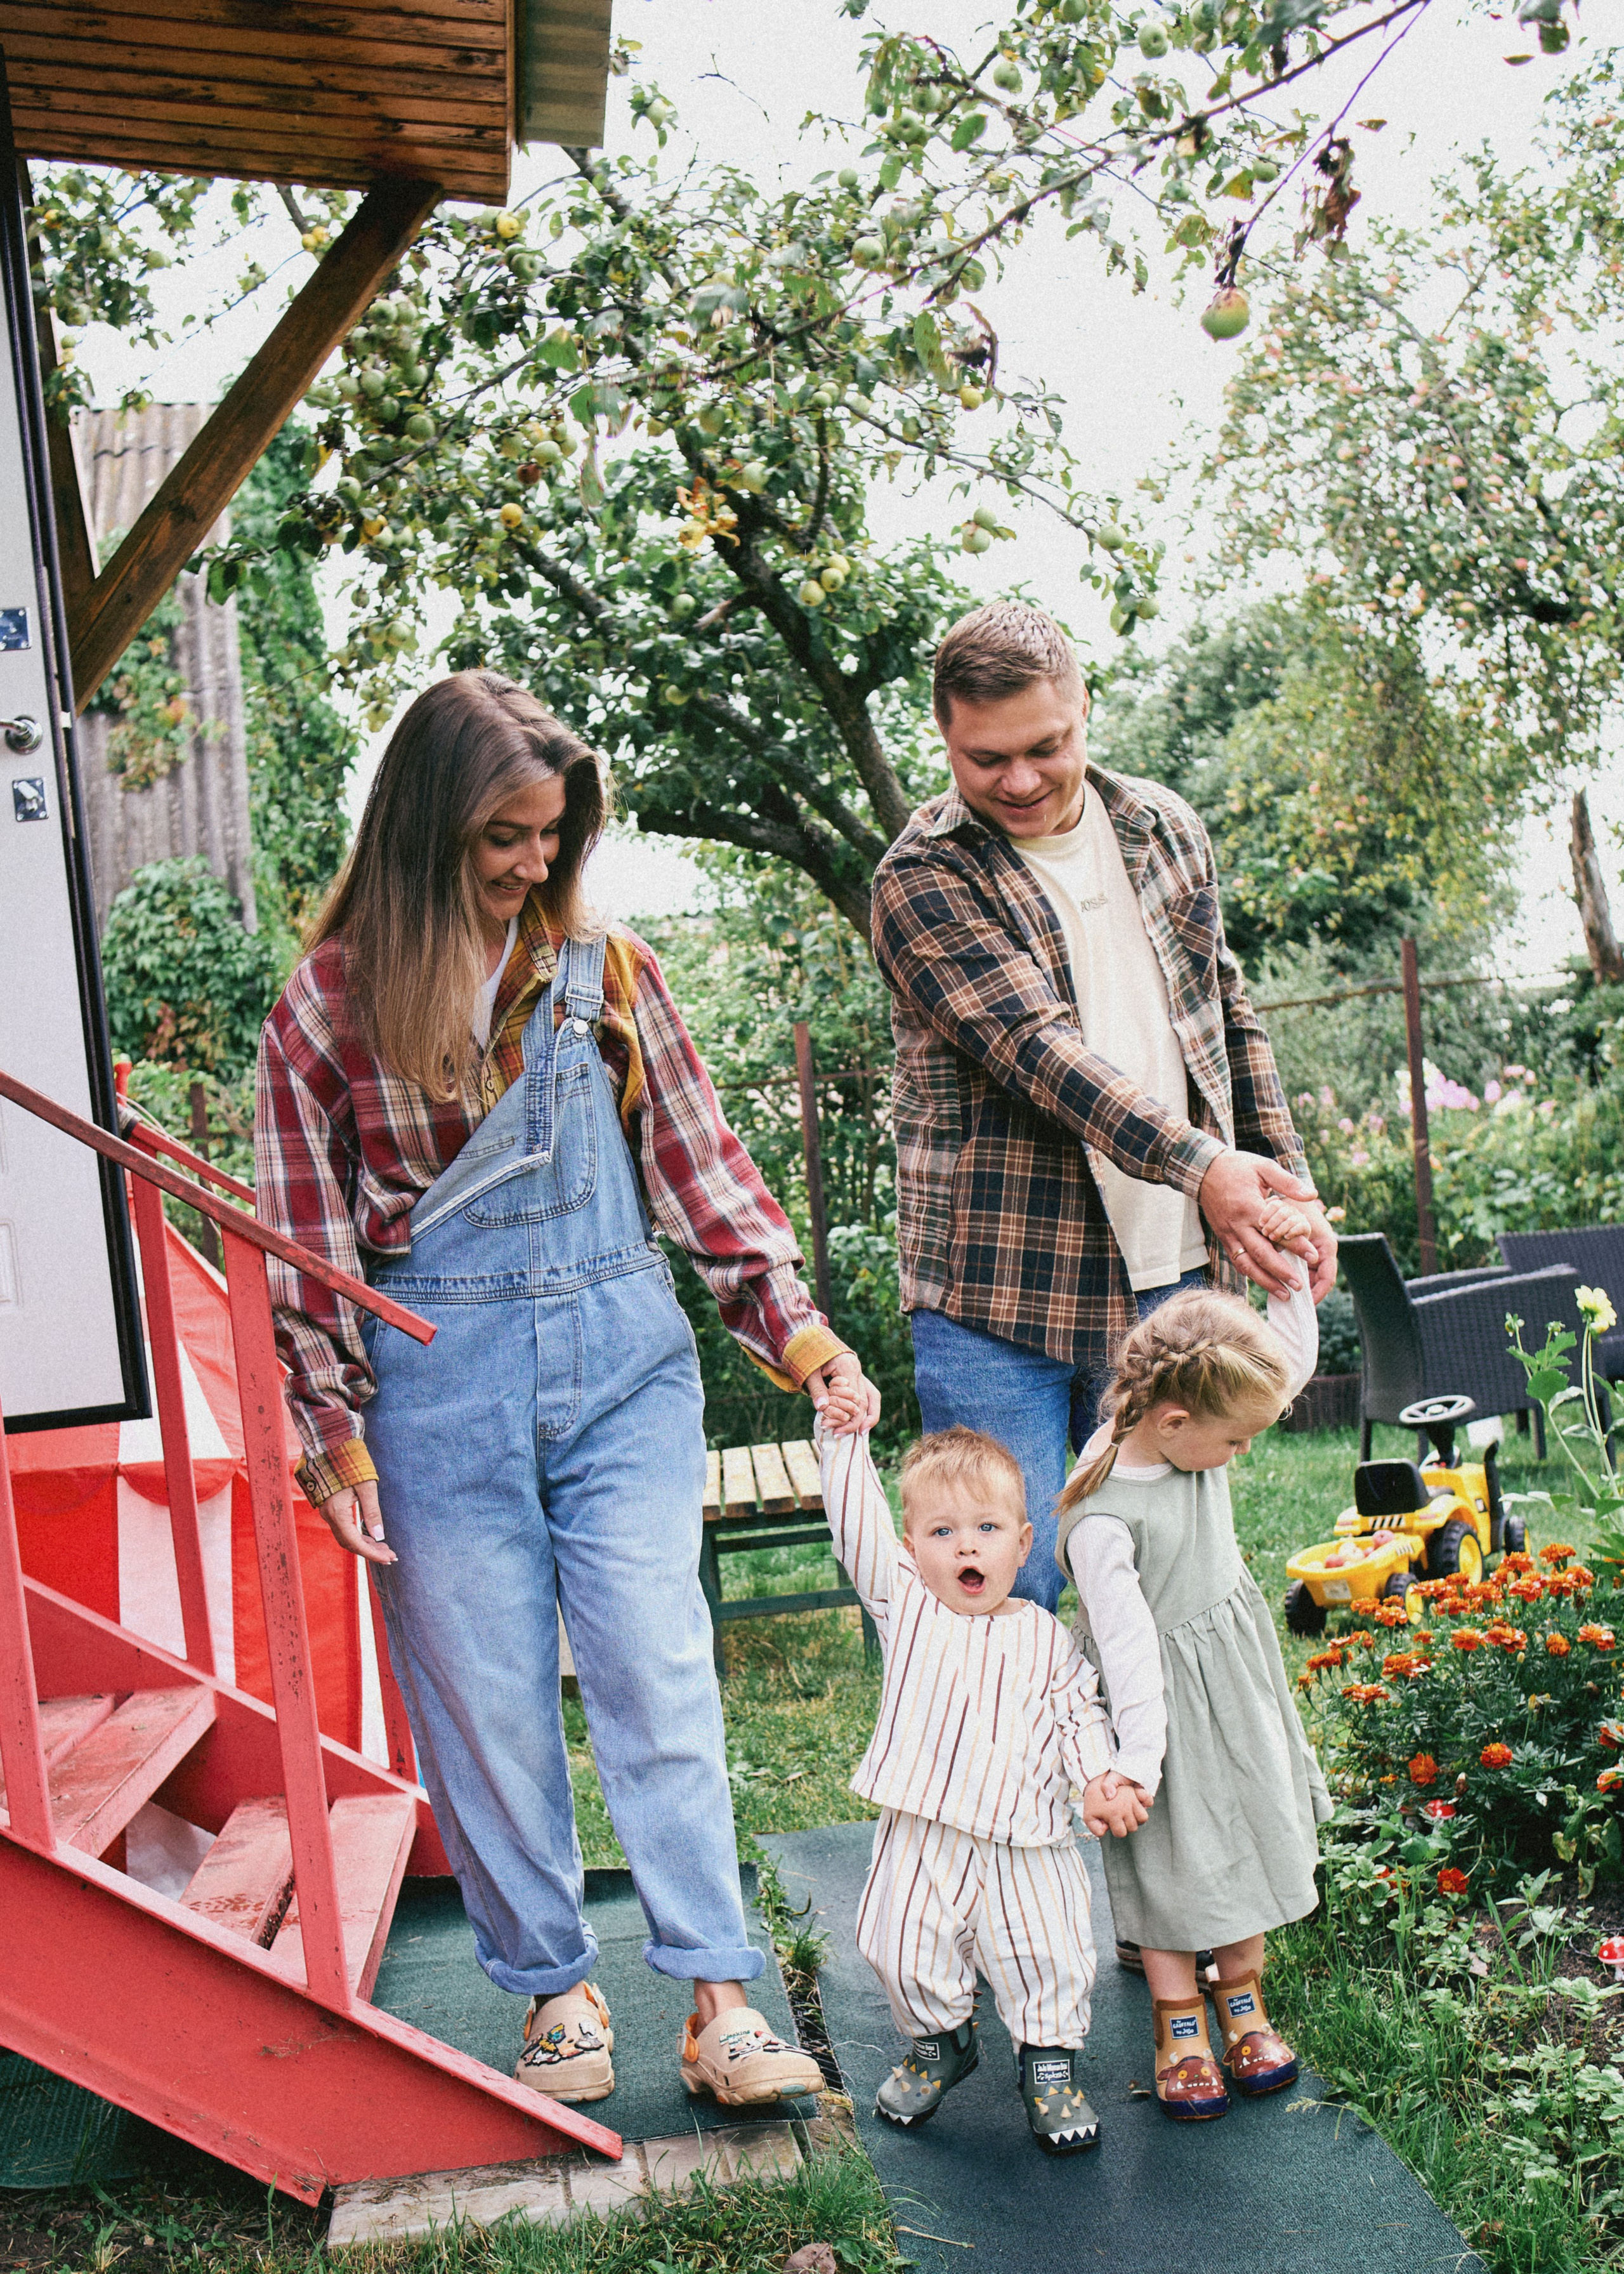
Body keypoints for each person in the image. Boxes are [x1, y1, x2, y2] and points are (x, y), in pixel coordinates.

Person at [256, 670, 877, 2109]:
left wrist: (803, 1344)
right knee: (484, 1704)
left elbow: (706, 1185)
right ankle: (551, 1993)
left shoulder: (609, 982)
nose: (537, 864)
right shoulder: (327, 1013)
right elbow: (308, 1263)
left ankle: (718, 2002)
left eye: (554, 834)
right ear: (424, 833)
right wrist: (338, 1453)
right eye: (503, 838)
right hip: (433, 1393)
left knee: (658, 1674)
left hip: (620, 1377)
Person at [870, 601, 1337, 1613]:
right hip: (1003, 1300)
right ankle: (1019, 1779)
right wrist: (1208, 1169)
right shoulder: (924, 877)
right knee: (1006, 1604)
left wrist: (1286, 1191)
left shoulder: (1163, 827)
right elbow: (1043, 1054)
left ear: (1084, 707)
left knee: (1177, 1593)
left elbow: (1225, 1014)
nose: (1023, 781)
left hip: (1167, 1286)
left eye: (1048, 746)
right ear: (945, 736)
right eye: (986, 758)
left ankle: (1168, 1779)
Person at [815, 1409, 1149, 2155]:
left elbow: (1078, 1716)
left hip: (1025, 1841)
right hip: (921, 1827)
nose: (965, 1543)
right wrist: (842, 1441)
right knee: (897, 1941)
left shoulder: (1045, 1636)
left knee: (1047, 1951)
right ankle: (942, 2043)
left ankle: (1050, 2065)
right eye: (941, 1532)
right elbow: (858, 1527)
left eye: (986, 1528)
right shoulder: (908, 1608)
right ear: (911, 1550)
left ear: (1022, 1542)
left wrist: (1100, 1775)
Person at [1053, 1249, 1332, 2122]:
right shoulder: (1104, 1520)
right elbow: (1130, 1652)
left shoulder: (1186, 1421)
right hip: (1159, 1710)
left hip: (1232, 1688)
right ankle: (1180, 2022)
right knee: (1173, 1859)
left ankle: (1242, 1998)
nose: (1243, 1451)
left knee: (1245, 1831)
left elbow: (1282, 1366)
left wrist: (1290, 1277)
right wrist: (1138, 1763)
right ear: (1174, 1422)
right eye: (1238, 1440)